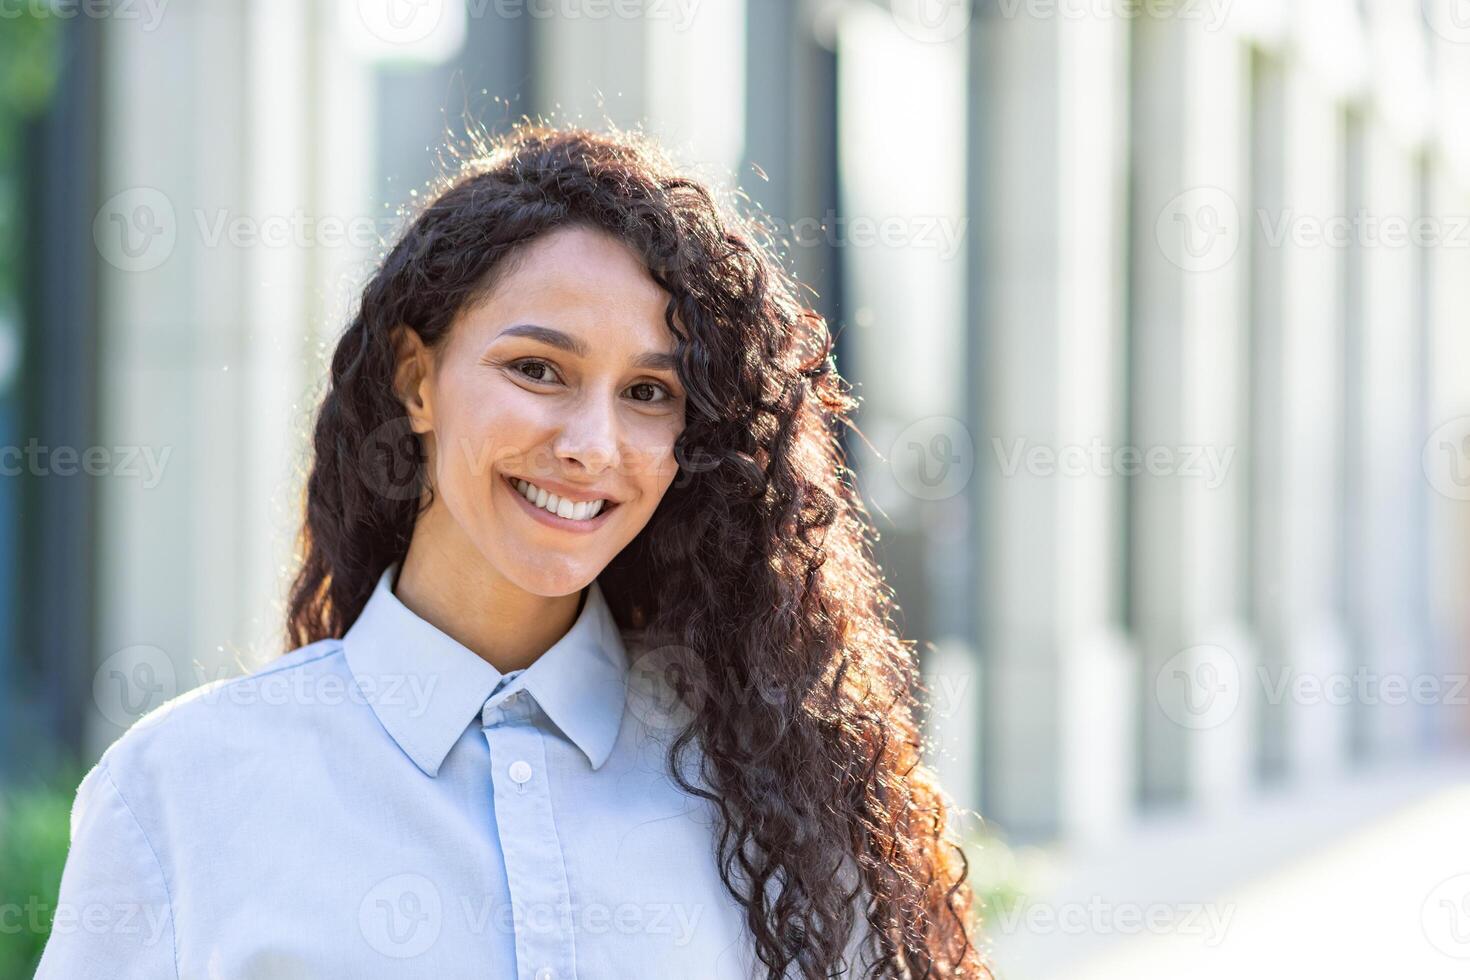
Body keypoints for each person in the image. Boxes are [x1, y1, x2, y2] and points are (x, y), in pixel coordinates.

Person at [37, 122, 991, 979]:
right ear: (418, 380)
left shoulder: (784, 786)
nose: (591, 444)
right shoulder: (181, 790)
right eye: (538, 370)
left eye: (649, 393)